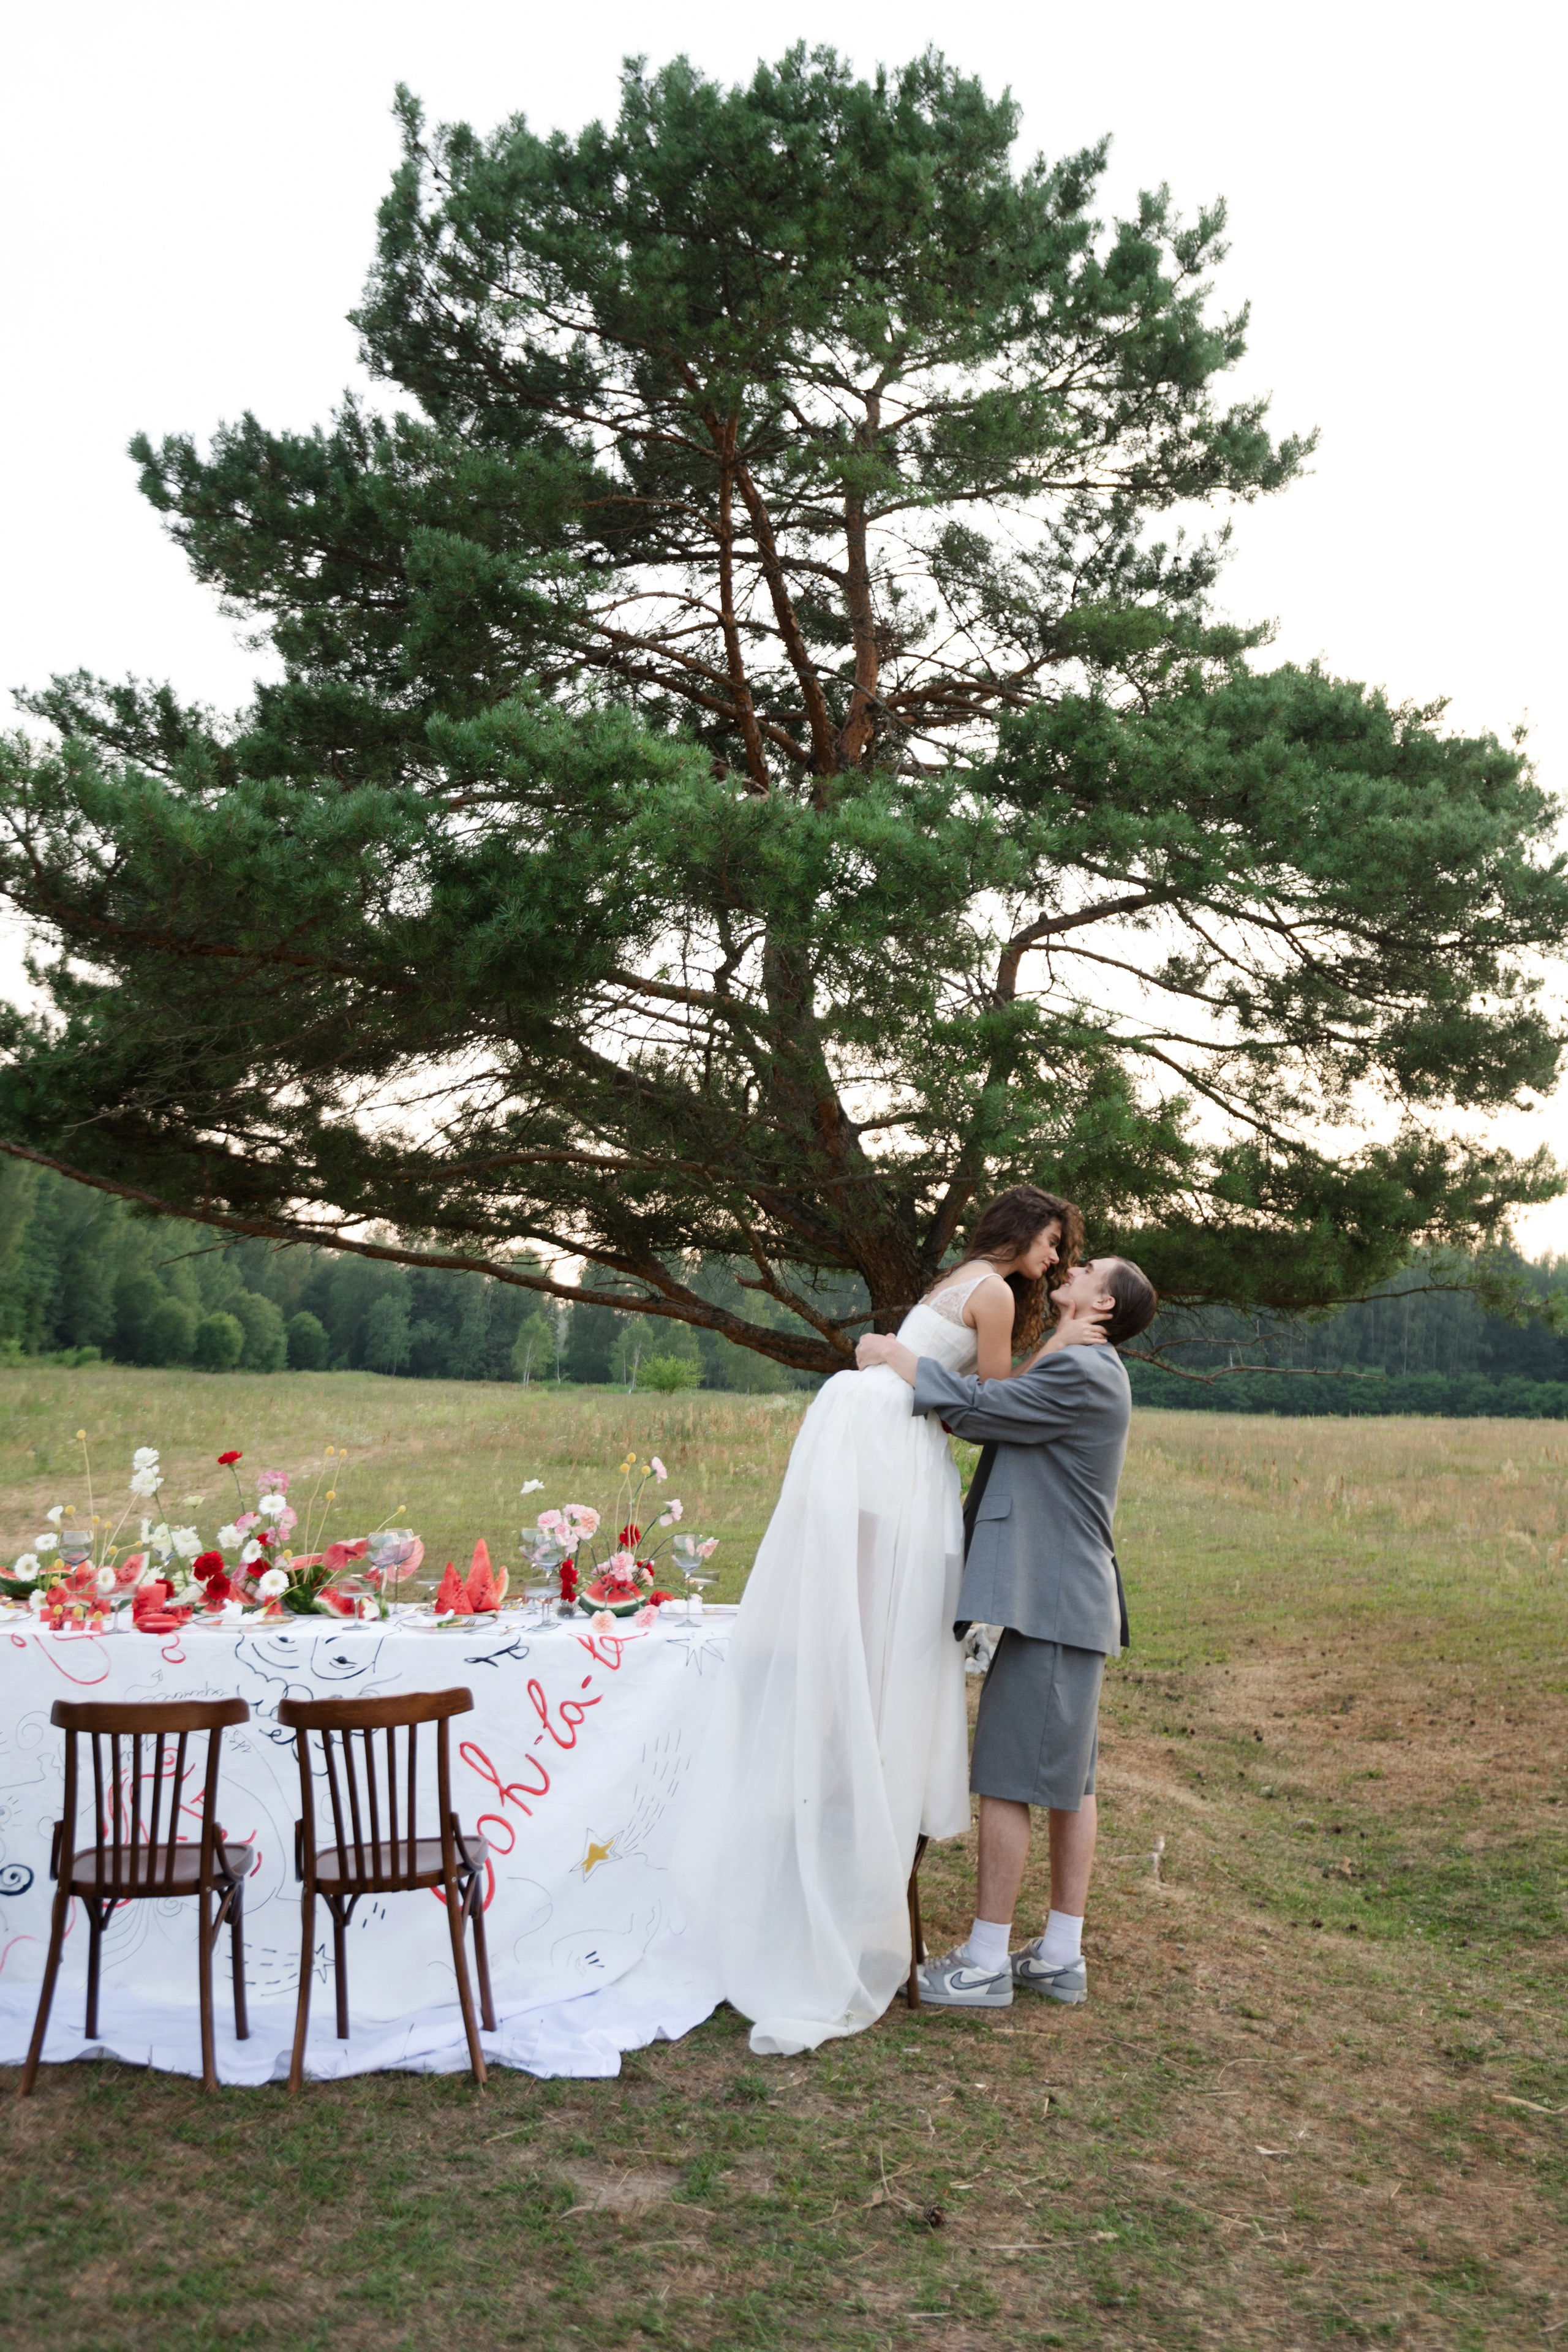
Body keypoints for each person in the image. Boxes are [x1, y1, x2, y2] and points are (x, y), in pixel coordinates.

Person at [677, 1186, 1103, 2056]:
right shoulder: (994, 1292)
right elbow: (989, 1409)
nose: (1057, 1261)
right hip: (894, 1444)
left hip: (872, 1424)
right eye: (1055, 1244)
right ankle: (869, 1773)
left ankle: (850, 1777)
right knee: (899, 1625)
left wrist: (905, 1364)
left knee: (866, 1611)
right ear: (1025, 1235)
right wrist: (1055, 1341)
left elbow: (962, 1397)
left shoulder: (967, 1276)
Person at [856, 1254, 1158, 2010]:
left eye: (1092, 1269)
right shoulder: (1081, 1365)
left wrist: (899, 1354)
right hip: (1066, 1605)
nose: (1076, 1263)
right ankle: (1059, 1955)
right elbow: (1014, 1393)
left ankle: (986, 1962)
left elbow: (977, 1411)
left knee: (1006, 1779)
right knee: (1066, 1784)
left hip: (1050, 1605)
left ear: (1104, 1306)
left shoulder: (1083, 1374)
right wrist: (1055, 1337)